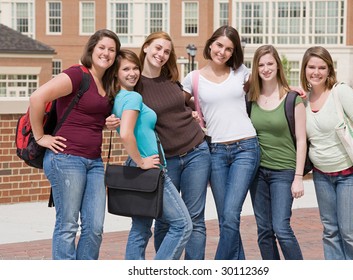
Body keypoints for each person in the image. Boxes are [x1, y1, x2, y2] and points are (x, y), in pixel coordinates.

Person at [107, 31, 211, 260]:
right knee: (166, 222)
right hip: (163, 159)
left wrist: (193, 111)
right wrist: (108, 121)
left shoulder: (170, 78)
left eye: (166, 51)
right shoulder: (134, 86)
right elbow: (122, 118)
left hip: (196, 150)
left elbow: (182, 103)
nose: (161, 54)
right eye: (157, 48)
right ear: (145, 48)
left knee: (194, 219)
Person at [29, 29, 121, 260]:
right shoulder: (77, 75)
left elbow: (87, 120)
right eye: (102, 47)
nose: (106, 53)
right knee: (68, 225)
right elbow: (37, 98)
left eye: (112, 50)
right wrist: (40, 137)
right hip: (66, 159)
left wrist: (106, 123)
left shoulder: (106, 84)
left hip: (95, 162)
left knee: (94, 228)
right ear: (92, 49)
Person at [300, 46, 353, 260]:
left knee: (350, 233)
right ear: (304, 69)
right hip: (322, 175)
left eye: (322, 67)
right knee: (330, 232)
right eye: (311, 67)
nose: (316, 72)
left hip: (350, 174)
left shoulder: (341, 92)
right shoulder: (304, 100)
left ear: (329, 70)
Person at [182, 25, 260, 260]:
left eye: (229, 49)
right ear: (210, 44)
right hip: (214, 151)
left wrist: (293, 91)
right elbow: (176, 106)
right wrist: (192, 114)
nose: (222, 52)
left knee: (231, 214)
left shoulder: (242, 73)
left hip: (245, 147)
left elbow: (270, 88)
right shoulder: (192, 78)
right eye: (219, 45)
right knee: (226, 218)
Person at [248, 45, 305, 260]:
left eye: (270, 63)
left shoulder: (292, 99)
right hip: (258, 173)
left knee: (281, 228)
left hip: (284, 171)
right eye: (261, 64)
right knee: (264, 230)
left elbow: (301, 141)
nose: (265, 68)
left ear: (278, 65)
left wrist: (298, 177)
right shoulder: (250, 98)